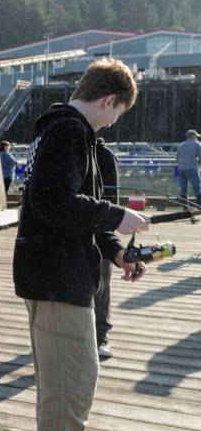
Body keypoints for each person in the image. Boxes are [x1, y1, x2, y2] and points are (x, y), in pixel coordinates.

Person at [13, 58, 149, 431]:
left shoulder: (59, 130)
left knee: (63, 377)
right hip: (57, 276)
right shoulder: (70, 133)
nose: (114, 121)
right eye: (117, 113)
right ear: (109, 100)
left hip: (56, 272)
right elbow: (53, 203)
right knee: (72, 379)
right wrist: (118, 216)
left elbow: (68, 207)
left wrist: (115, 250)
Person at [94, 137, 119, 362]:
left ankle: (101, 336)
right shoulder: (60, 147)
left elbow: (112, 199)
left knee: (101, 285)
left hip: (99, 233)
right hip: (64, 236)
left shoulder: (104, 155)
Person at [175, 128, 201, 205]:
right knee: (197, 188)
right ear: (193, 136)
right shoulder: (198, 144)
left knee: (183, 189)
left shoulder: (181, 145)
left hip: (181, 169)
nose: (197, 137)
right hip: (192, 168)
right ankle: (199, 206)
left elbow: (177, 158)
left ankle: (185, 207)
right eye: (196, 136)